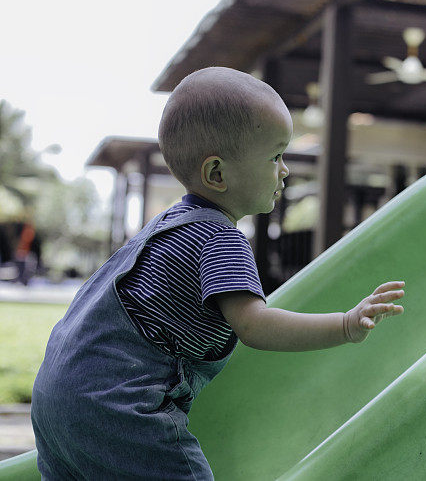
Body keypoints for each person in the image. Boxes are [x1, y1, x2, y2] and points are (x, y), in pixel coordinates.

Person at [30, 66, 405, 479]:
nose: (285, 171)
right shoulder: (219, 236)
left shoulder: (166, 226)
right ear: (217, 174)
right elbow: (255, 326)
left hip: (54, 396)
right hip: (118, 405)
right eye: (275, 155)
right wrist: (345, 325)